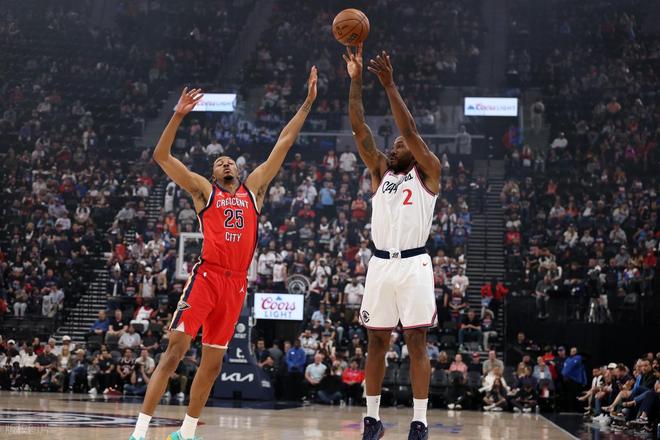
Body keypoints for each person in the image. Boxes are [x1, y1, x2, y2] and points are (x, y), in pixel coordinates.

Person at [130, 67, 318, 440]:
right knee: (174, 352)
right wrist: (178, 115)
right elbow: (161, 155)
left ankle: (185, 432)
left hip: (236, 285)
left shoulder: (254, 189)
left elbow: (284, 141)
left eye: (230, 160)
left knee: (213, 364)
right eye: (220, 162)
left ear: (238, 169)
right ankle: (140, 430)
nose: (226, 163)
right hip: (207, 276)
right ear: (214, 174)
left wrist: (308, 102)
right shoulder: (204, 191)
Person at [345, 44, 441, 440]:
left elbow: (410, 132)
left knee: (416, 341)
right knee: (376, 341)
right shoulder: (380, 172)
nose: (393, 146)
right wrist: (356, 82)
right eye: (393, 145)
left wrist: (389, 85)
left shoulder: (429, 171)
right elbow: (359, 129)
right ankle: (372, 419)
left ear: (413, 152)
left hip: (414, 263)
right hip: (381, 263)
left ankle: (419, 422)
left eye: (399, 145)